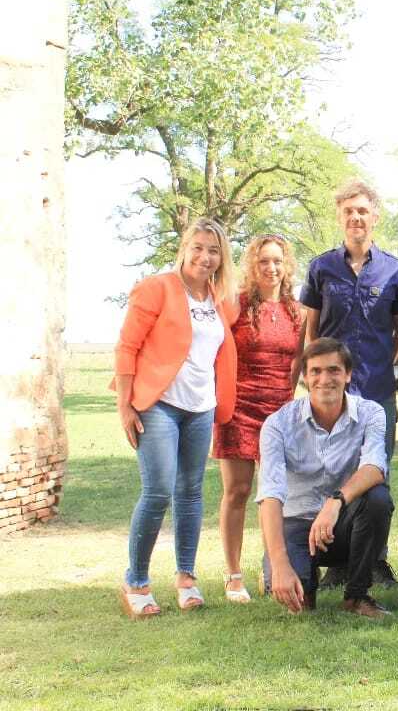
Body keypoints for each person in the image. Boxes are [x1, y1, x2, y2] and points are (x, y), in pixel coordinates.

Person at [113, 217, 237, 618]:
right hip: (159, 405)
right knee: (158, 492)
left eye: (213, 250)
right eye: (198, 247)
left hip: (200, 408)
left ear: (222, 258)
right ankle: (136, 581)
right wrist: (126, 404)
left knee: (191, 493)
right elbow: (127, 347)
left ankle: (187, 577)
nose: (205, 256)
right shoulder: (158, 288)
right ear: (185, 247)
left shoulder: (219, 299)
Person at [300, 179, 398, 588]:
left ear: (374, 216)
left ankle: (375, 559)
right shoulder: (321, 268)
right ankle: (335, 561)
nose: (356, 217)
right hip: (331, 394)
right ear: (340, 217)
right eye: (348, 211)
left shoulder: (395, 271)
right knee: (330, 473)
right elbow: (312, 330)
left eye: (363, 210)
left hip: (377, 389)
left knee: (376, 473)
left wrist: (382, 362)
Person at [256, 338, 394, 618]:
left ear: (348, 374)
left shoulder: (371, 413)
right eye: (316, 371)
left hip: (343, 525)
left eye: (334, 370)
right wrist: (280, 562)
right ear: (305, 377)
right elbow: (270, 495)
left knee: (378, 499)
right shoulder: (277, 424)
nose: (325, 379)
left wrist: (335, 503)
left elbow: (375, 467)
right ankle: (280, 572)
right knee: (300, 605)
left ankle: (356, 596)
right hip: (297, 524)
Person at [212, 234, 305, 603]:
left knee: (276, 494)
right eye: (264, 261)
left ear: (287, 265)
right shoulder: (236, 305)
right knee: (237, 492)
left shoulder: (297, 310)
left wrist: (288, 403)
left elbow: (298, 362)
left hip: (279, 413)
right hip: (239, 410)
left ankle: (274, 568)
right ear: (253, 265)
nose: (271, 268)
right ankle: (233, 574)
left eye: (278, 261)